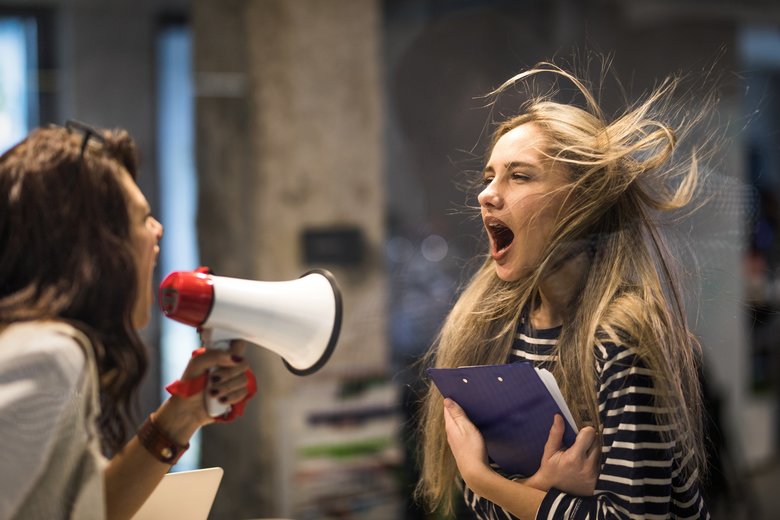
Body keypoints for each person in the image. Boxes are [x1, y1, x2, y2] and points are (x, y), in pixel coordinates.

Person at [415, 63, 712, 519]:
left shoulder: (621, 336)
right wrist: (541, 487)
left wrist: (484, 478)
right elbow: (483, 508)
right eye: (489, 176)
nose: (486, 195)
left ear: (582, 200)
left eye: (520, 176)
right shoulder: (498, 329)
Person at [0, 122, 255, 520]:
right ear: (93, 246)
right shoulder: (50, 354)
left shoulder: (52, 351)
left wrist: (182, 415)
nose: (158, 230)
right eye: (140, 218)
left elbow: (87, 509)